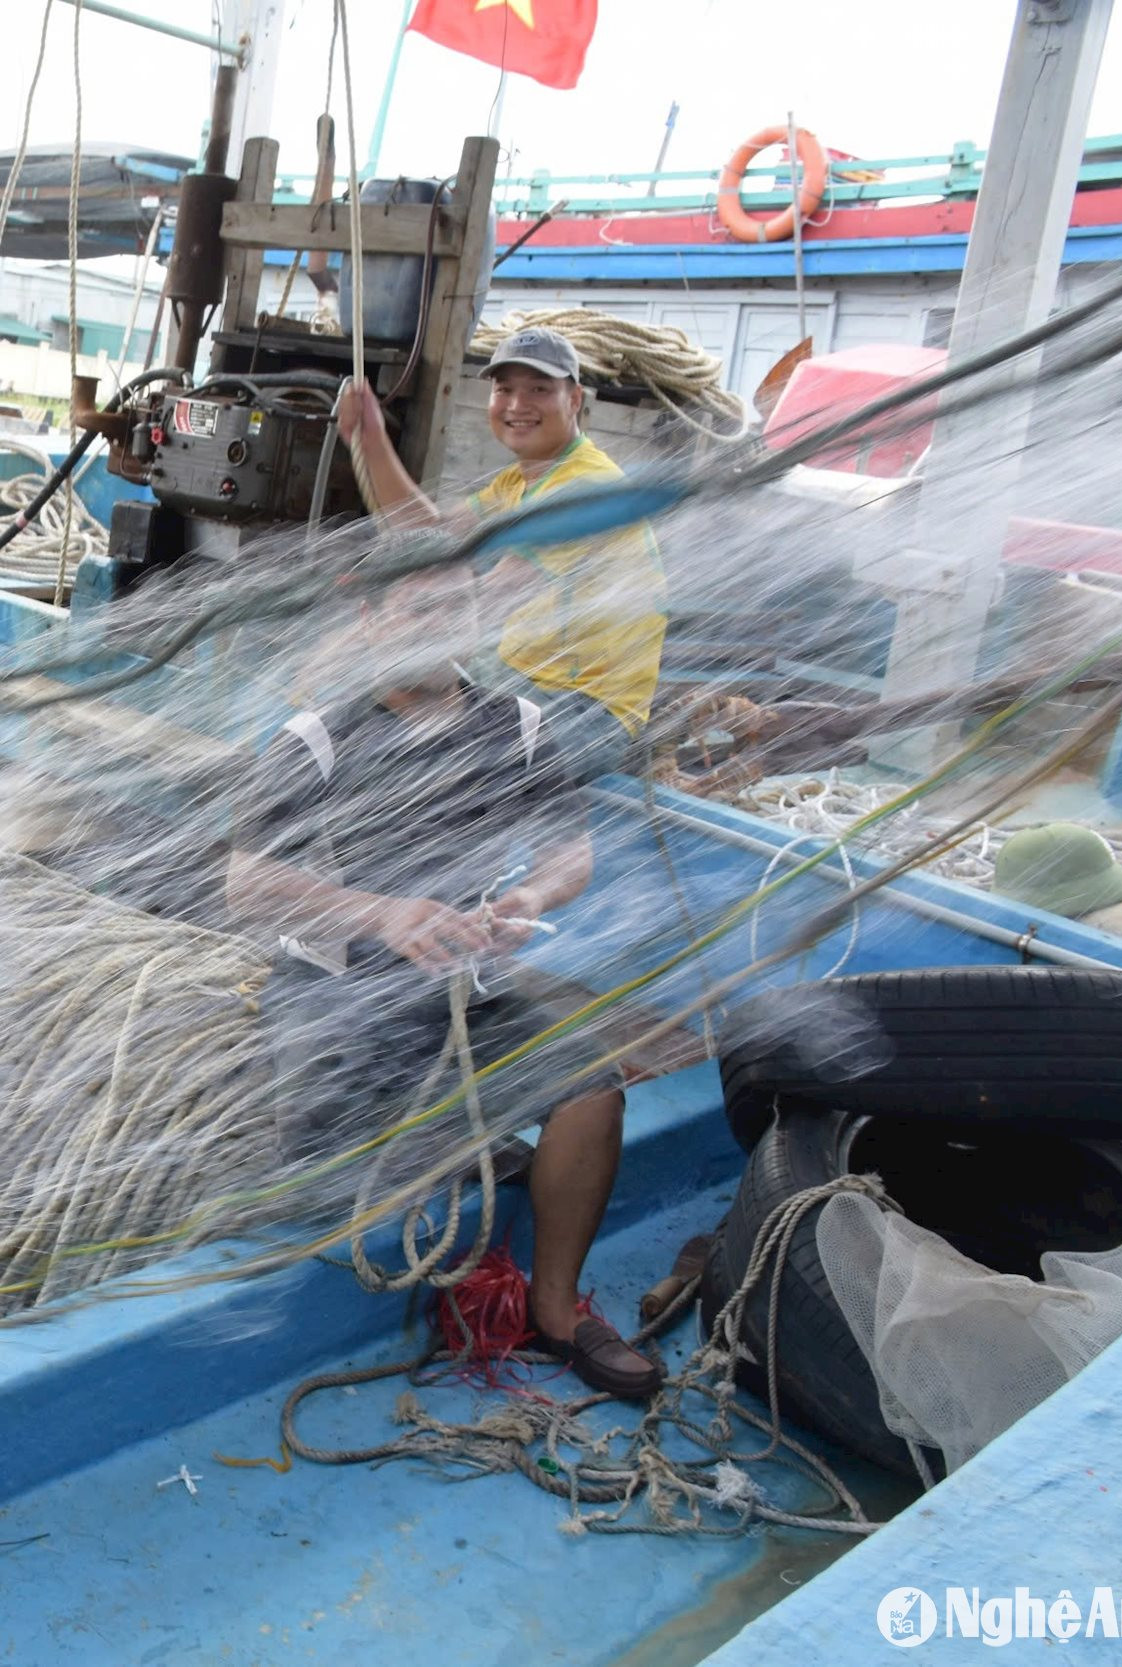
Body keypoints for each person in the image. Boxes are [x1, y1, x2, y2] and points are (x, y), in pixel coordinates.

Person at [226, 563, 661, 1399]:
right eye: (415, 607)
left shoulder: (521, 728)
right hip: (334, 986)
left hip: (467, 987)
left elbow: (573, 852)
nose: (437, 624)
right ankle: (457, 1147)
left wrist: (528, 894)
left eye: (453, 608)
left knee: (592, 1091)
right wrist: (383, 913)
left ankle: (558, 1305)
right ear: (371, 615)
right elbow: (246, 883)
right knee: (322, 1175)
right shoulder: (315, 738)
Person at [336, 325, 667, 784]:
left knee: (422, 756)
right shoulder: (519, 481)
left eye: (539, 389)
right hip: (516, 678)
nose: (516, 404)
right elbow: (433, 536)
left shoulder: (584, 485)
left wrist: (358, 643)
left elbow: (484, 602)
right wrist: (370, 442)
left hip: (585, 712)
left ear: (575, 400)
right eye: (504, 389)